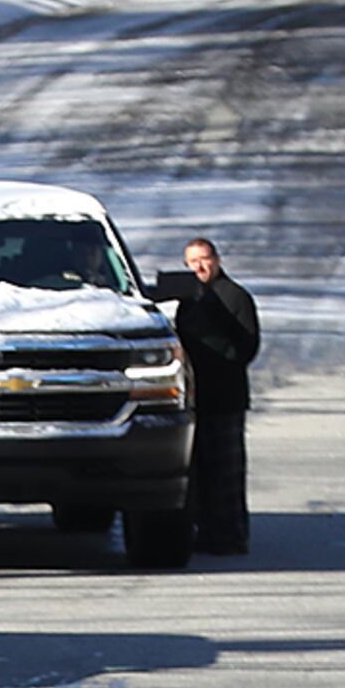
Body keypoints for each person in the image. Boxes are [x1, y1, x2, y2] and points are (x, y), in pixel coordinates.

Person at [153, 236, 262, 555]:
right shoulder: (191, 299)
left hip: (225, 398)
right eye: (192, 262)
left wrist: (212, 344)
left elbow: (246, 348)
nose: (200, 266)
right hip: (194, 398)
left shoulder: (235, 297)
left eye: (204, 259)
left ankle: (231, 535)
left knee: (226, 472)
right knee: (199, 471)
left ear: (217, 259)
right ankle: (206, 531)